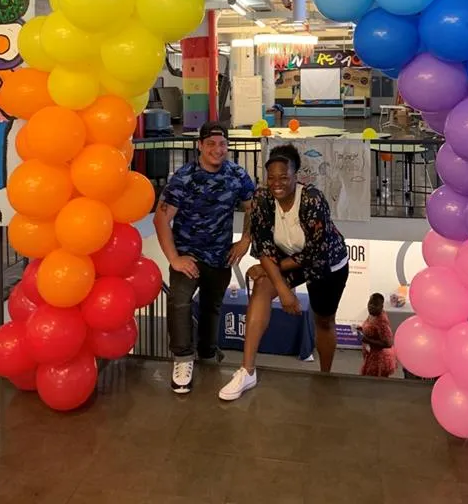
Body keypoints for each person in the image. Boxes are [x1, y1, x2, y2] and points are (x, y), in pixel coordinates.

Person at [219, 143, 349, 401]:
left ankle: (325, 375)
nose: (277, 183)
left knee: (323, 320)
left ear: (296, 176)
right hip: (288, 258)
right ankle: (247, 370)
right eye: (272, 178)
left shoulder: (312, 199)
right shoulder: (262, 198)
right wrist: (281, 288)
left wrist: (275, 271)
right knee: (262, 288)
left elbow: (315, 254)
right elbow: (264, 248)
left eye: (284, 177)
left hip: (326, 263)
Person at [154, 121, 255, 394]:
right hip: (188, 257)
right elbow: (161, 218)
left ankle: (208, 354)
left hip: (221, 258)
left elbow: (254, 208)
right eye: (210, 144)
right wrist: (174, 259)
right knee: (180, 303)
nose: (217, 149)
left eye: (222, 144)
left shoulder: (237, 175)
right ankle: (183, 359)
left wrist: (245, 240)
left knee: (212, 308)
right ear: (199, 146)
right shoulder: (184, 178)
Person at [357, 293, 396, 378]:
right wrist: (361, 329)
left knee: (374, 384)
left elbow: (388, 343)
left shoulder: (382, 322)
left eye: (375, 305)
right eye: (370, 303)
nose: (371, 306)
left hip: (380, 359)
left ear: (381, 307)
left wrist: (367, 340)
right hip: (371, 355)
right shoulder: (372, 314)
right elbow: (371, 329)